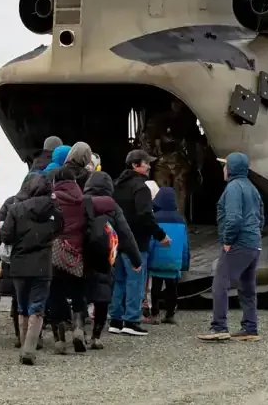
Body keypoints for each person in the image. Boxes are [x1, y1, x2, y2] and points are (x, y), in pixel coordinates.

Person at [198, 152, 264, 342]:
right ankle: (250, 328)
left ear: (232, 168)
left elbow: (233, 218)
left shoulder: (233, 188)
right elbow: (260, 216)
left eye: (226, 166)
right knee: (247, 287)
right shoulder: (252, 188)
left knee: (220, 283)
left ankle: (219, 326)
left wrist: (228, 240)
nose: (224, 169)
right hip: (253, 244)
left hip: (238, 243)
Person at [0, 174, 63, 365]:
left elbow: (6, 236)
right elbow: (59, 229)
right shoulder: (55, 210)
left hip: (19, 264)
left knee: (22, 304)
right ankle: (29, 348)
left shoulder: (16, 208)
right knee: (37, 306)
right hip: (43, 264)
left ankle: (22, 341)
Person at [110, 149, 169, 336]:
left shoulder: (115, 186)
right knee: (135, 281)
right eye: (146, 163)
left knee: (119, 281)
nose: (150, 166)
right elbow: (145, 215)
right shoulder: (141, 187)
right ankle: (131, 321)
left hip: (117, 242)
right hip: (136, 242)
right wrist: (161, 235)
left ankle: (115, 320)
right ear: (136, 165)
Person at [81, 171, 142, 349]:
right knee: (102, 296)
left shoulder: (81, 202)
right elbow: (126, 234)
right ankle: (96, 337)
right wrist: (136, 260)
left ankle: (80, 330)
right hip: (104, 259)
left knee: (81, 295)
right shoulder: (112, 206)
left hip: (82, 257)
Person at [48, 167, 89, 354]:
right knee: (78, 291)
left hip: (56, 253)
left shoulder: (52, 198)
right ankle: (79, 328)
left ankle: (59, 339)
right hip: (77, 252)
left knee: (55, 292)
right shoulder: (83, 199)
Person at [146, 187, 190, 325]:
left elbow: (151, 242)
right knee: (172, 288)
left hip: (156, 261)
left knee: (156, 288)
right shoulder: (181, 220)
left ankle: (155, 314)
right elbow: (185, 245)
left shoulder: (154, 219)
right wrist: (184, 263)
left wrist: (146, 259)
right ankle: (170, 314)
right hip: (174, 262)